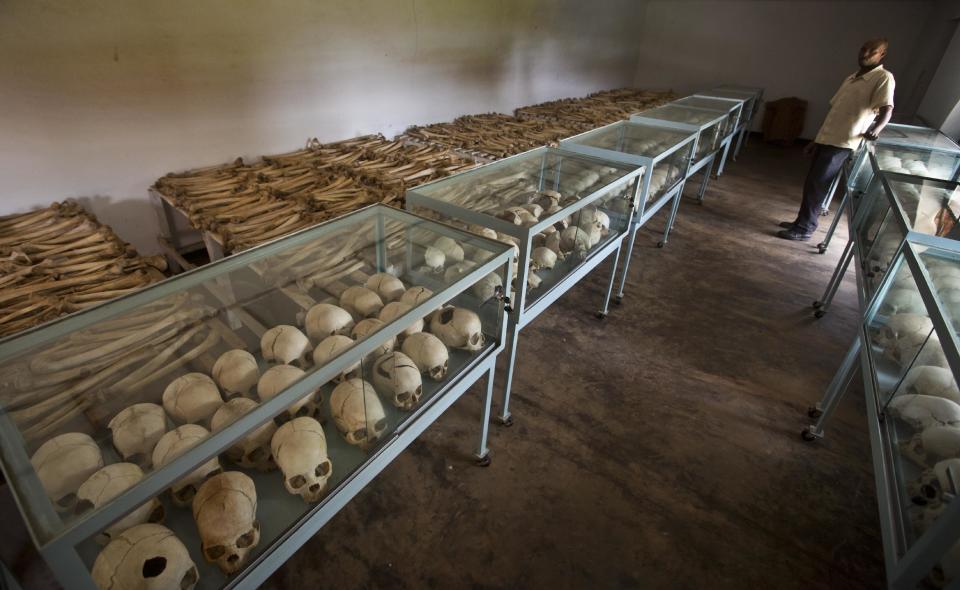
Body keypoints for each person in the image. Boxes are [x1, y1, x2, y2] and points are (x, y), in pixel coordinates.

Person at [778, 38, 895, 241]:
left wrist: (877, 128)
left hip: (843, 142)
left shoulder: (883, 77)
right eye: (863, 49)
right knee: (813, 183)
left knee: (818, 184)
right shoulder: (852, 78)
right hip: (828, 138)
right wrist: (817, 139)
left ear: (882, 54)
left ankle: (805, 228)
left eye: (872, 51)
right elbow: (835, 111)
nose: (865, 54)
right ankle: (800, 222)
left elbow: (887, 108)